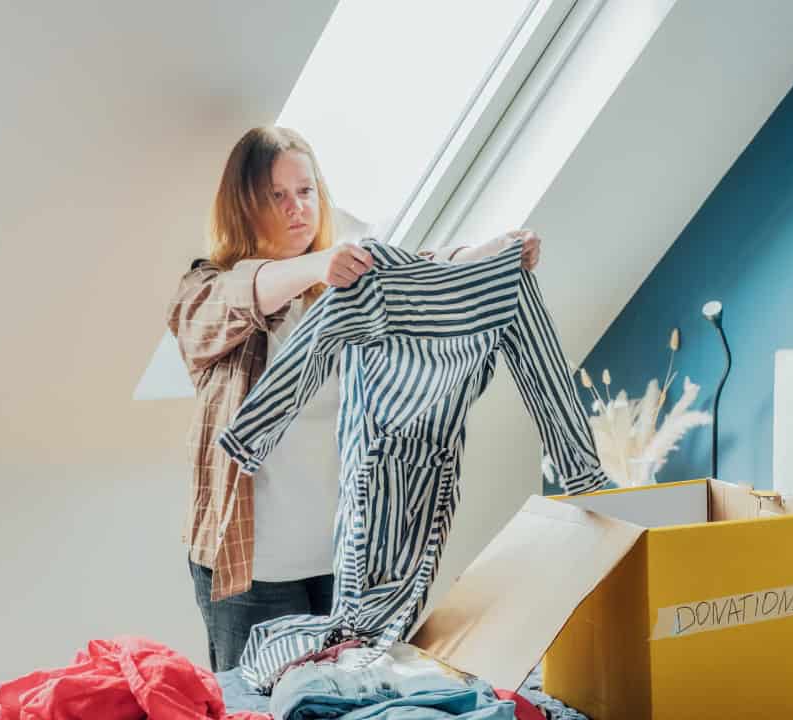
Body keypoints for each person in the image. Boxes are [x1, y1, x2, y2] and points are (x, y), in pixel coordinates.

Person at [168, 125, 542, 672]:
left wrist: (492, 254)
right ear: (244, 205)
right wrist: (318, 265)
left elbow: (420, 271)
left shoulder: (347, 291)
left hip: (348, 564)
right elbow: (236, 296)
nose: (297, 208)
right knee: (256, 704)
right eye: (277, 195)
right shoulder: (206, 288)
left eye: (306, 191)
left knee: (350, 698)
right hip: (252, 570)